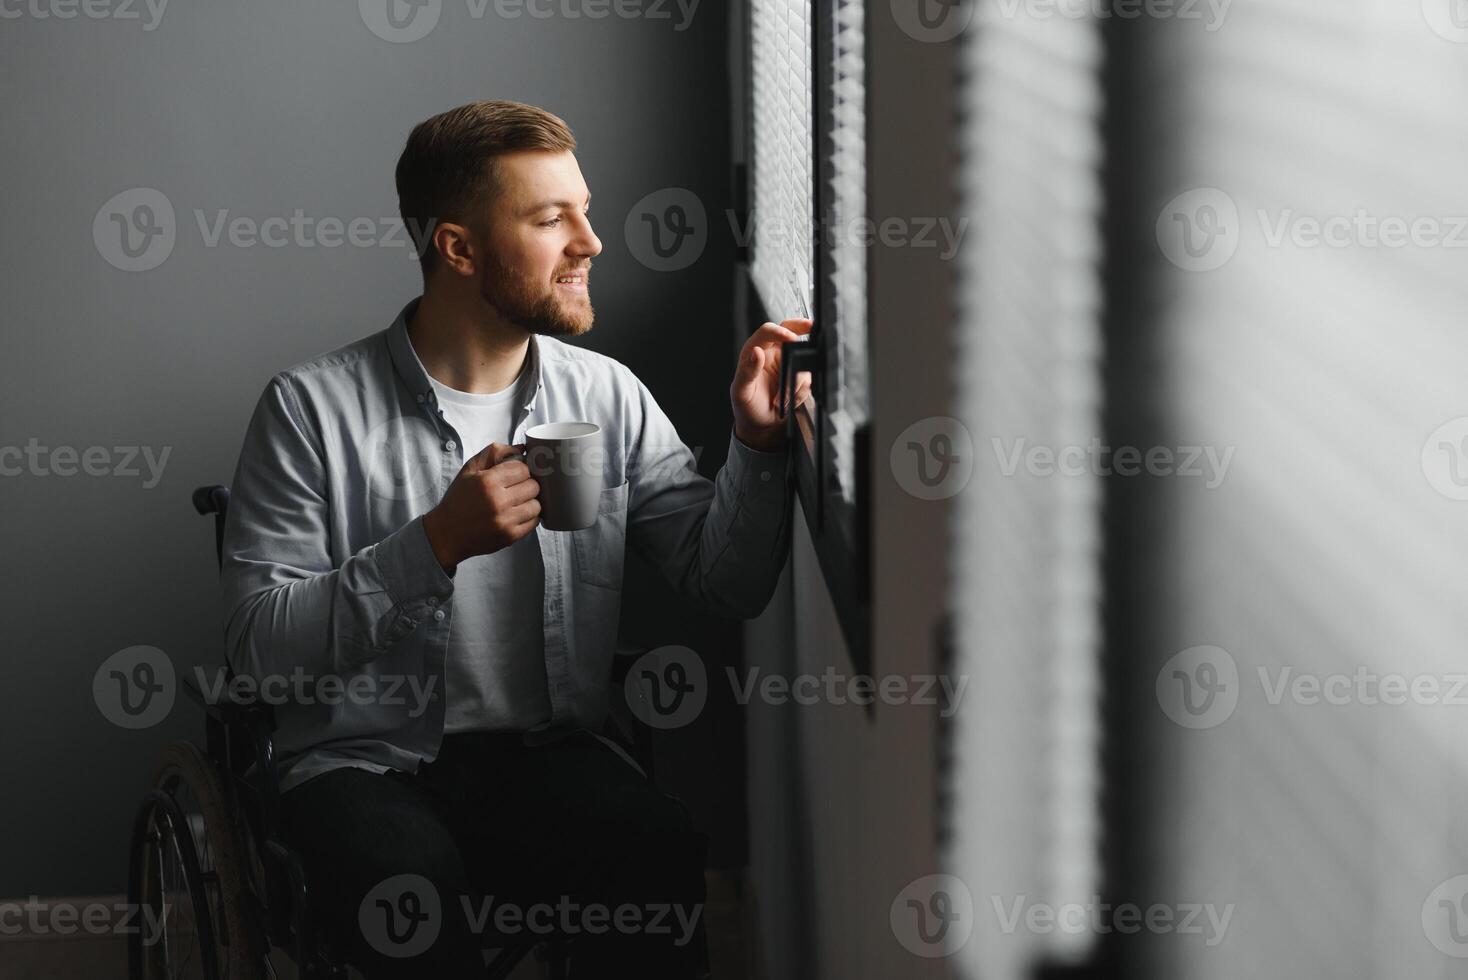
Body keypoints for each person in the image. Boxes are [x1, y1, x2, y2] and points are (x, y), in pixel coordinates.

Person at [219, 99, 810, 977]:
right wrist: (434, 545)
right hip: (361, 767)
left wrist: (757, 446)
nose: (591, 241)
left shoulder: (605, 397)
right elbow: (258, 655)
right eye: (550, 218)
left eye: (586, 209)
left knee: (653, 849)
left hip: (544, 754)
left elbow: (722, 583)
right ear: (457, 248)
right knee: (402, 889)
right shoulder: (308, 410)